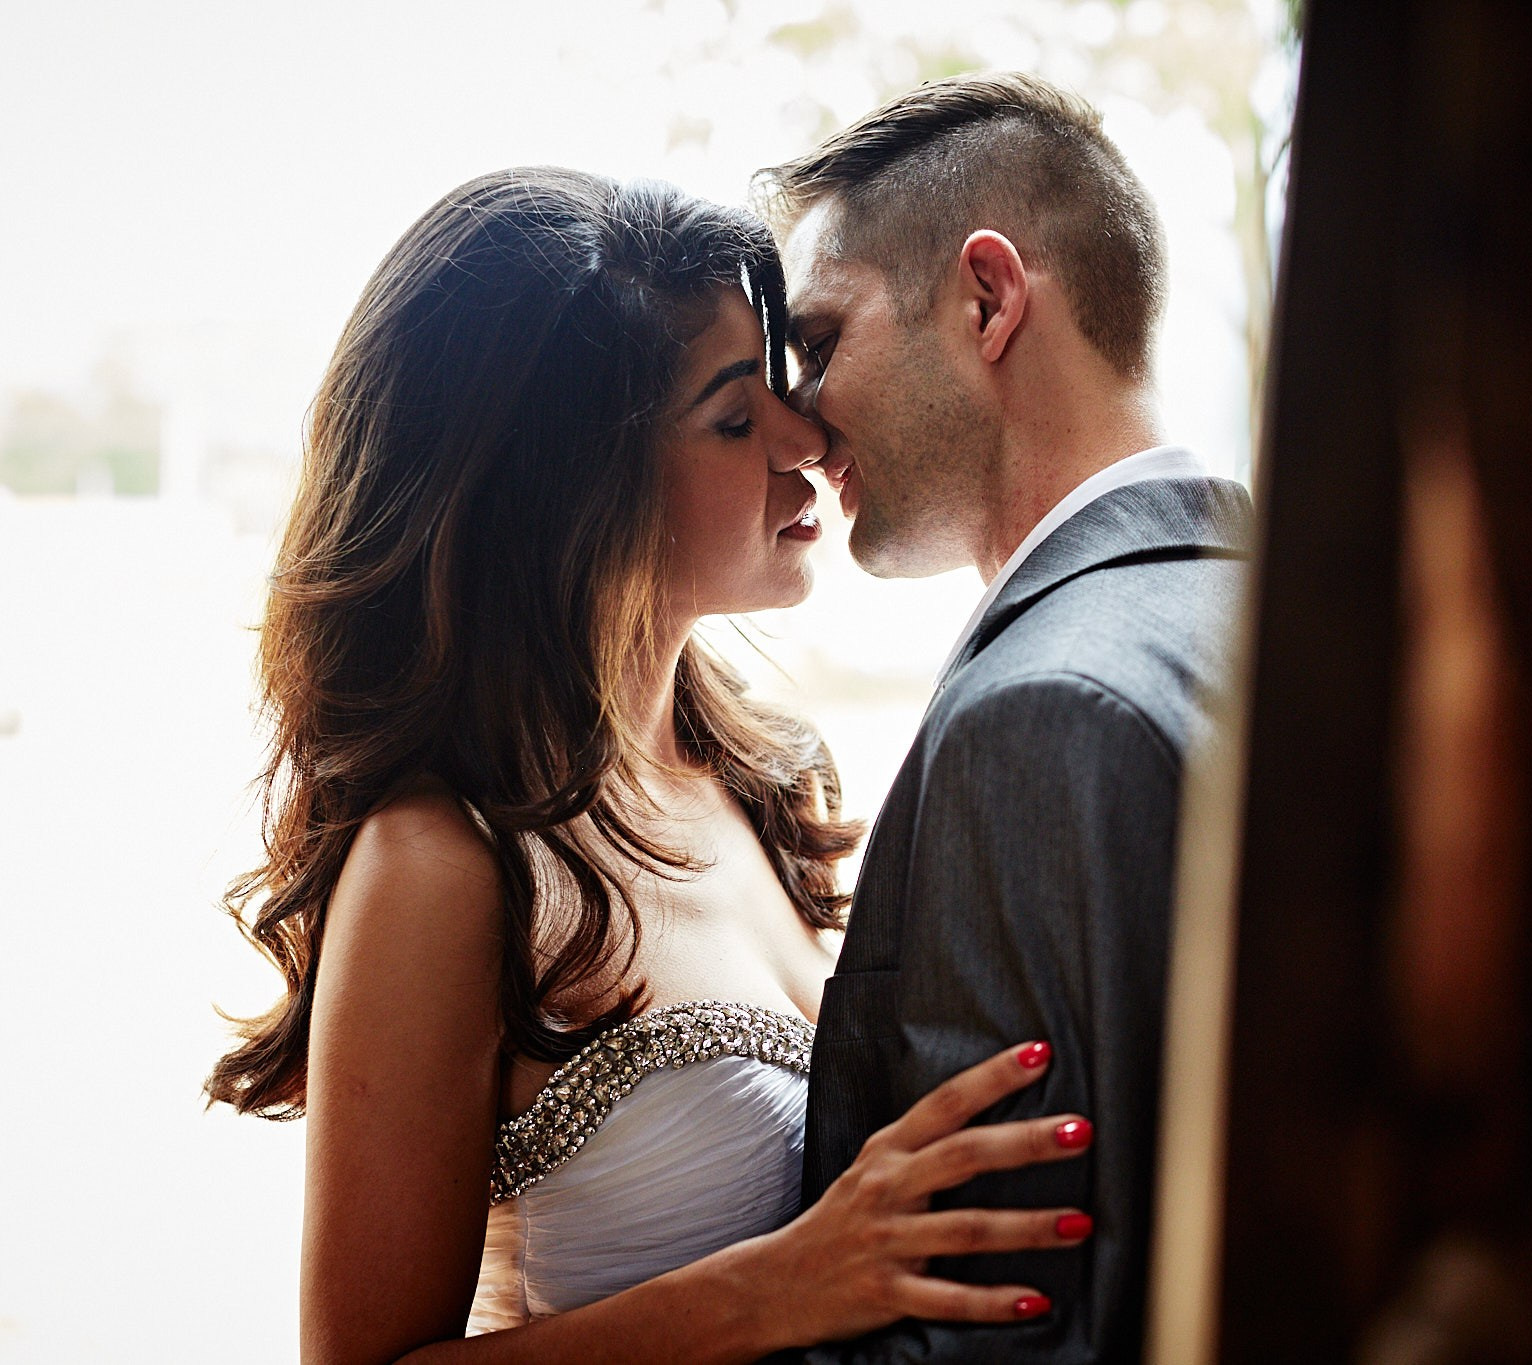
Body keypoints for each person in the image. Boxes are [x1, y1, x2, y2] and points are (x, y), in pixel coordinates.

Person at [205, 166, 1098, 1363]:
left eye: (778, 388)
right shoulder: (444, 865)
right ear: (563, 492)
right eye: (735, 419)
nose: (804, 439)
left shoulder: (759, 778)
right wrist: (778, 1289)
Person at [755, 72, 1254, 1361]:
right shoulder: (1263, 614)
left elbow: (1011, 1329)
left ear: (986, 298)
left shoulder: (1044, 711)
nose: (799, 424)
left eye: (818, 341)